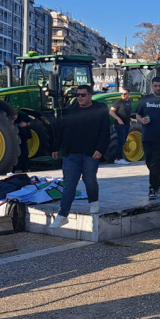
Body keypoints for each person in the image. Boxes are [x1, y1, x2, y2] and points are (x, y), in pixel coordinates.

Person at [49, 84, 110, 228]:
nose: (79, 98)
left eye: (83, 95)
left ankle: (94, 201)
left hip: (91, 153)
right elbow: (62, 131)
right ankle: (63, 215)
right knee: (69, 184)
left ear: (90, 95)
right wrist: (56, 148)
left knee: (89, 180)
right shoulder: (72, 111)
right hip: (72, 154)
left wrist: (100, 149)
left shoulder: (99, 109)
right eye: (78, 95)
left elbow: (105, 131)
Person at [109, 88, 132, 165]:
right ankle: (119, 158)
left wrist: (130, 121)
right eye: (122, 94)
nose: (123, 95)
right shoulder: (118, 102)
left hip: (127, 124)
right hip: (119, 125)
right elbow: (111, 111)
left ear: (129, 94)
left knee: (124, 141)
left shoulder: (129, 102)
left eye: (125, 94)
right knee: (120, 141)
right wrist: (118, 118)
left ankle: (117, 158)